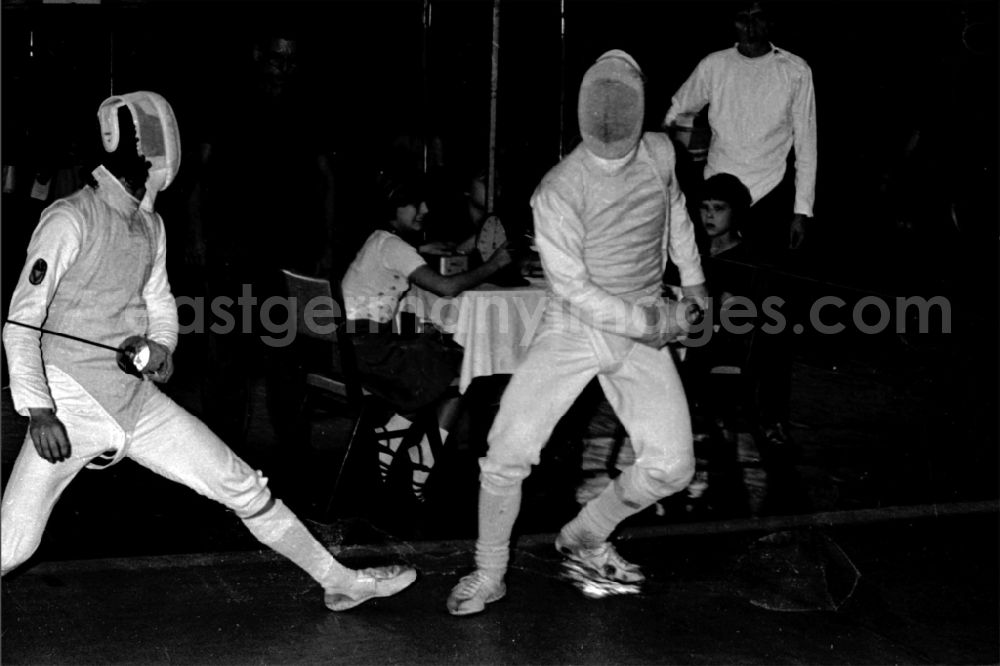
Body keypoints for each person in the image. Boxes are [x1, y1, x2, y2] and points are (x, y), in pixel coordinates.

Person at [1, 91, 416, 612]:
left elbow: (159, 303)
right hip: (71, 403)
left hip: (136, 400)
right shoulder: (70, 218)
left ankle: (341, 583)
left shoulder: (150, 224)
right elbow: (20, 322)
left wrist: (162, 349)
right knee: (14, 545)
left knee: (240, 483)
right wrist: (38, 409)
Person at [445, 50, 708, 616]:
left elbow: (677, 214)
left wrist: (695, 287)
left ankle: (586, 534)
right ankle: (489, 572)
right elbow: (574, 290)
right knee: (508, 450)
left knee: (673, 466)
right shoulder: (559, 189)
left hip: (643, 319)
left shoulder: (661, 152)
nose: (612, 118)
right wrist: (653, 323)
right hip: (576, 327)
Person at [187, 27, 340, 450]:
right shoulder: (227, 102)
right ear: (258, 55)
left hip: (288, 256)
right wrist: (197, 237)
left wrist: (326, 247)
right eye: (276, 59)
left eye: (292, 61)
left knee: (286, 361)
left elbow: (326, 181)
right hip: (231, 254)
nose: (284, 69)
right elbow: (201, 175)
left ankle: (292, 456)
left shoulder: (309, 108)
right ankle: (221, 454)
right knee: (225, 360)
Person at [340, 171, 513, 502]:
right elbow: (447, 288)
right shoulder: (395, 247)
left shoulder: (380, 240)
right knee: (461, 368)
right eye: (413, 204)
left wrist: (420, 249)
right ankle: (419, 461)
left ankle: (392, 442)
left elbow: (394, 259)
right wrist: (494, 264)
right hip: (371, 354)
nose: (424, 210)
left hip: (352, 349)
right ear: (392, 209)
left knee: (434, 354)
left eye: (424, 203)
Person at [662, 1, 817, 259]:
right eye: (742, 17)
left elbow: (806, 142)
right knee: (707, 274)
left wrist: (802, 210)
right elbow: (676, 111)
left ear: (770, 22)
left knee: (757, 281)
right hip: (716, 191)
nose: (749, 25)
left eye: (757, 17)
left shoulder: (795, 70)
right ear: (733, 22)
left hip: (768, 191)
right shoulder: (714, 65)